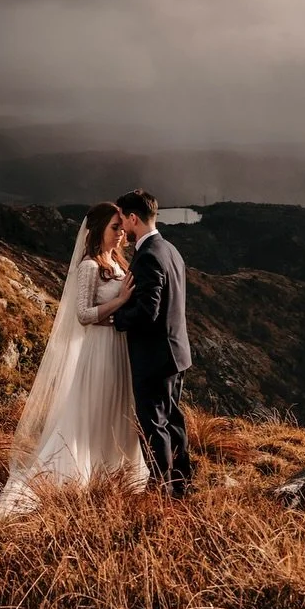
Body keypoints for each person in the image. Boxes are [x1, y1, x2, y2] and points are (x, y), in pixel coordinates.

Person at [0, 202, 148, 516]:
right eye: (114, 228)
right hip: (100, 350)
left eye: (121, 228)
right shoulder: (90, 266)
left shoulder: (117, 263)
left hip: (119, 349)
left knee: (117, 409)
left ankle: (116, 474)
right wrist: (119, 302)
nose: (120, 235)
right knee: (95, 410)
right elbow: (83, 314)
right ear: (97, 230)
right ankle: (82, 475)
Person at [112, 189, 194, 497]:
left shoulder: (146, 256)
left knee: (154, 424)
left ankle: (162, 489)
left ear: (134, 218)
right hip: (176, 352)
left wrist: (117, 318)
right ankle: (181, 484)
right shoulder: (170, 249)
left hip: (155, 356)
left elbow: (148, 312)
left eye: (122, 221)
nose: (122, 228)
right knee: (173, 419)